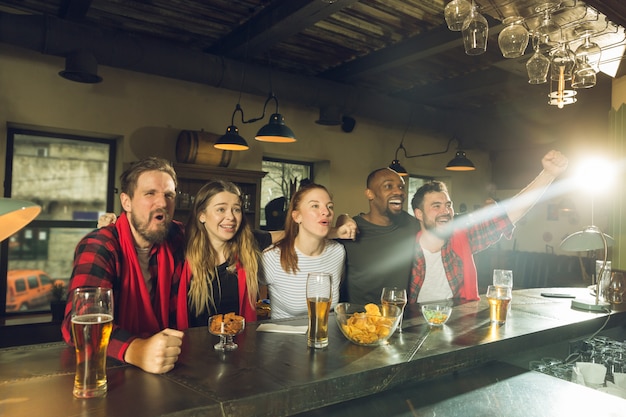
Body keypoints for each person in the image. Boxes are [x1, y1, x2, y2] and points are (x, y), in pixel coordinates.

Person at [62, 157, 188, 374]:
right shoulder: (100, 245)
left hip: (170, 360)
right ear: (126, 202)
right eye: (150, 194)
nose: (162, 203)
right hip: (109, 367)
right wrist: (136, 349)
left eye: (169, 195)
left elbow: (224, 233)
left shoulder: (176, 235)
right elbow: (79, 324)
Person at [409, 149, 568, 304]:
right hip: (413, 326)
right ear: (419, 214)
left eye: (448, 205)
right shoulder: (405, 248)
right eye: (436, 206)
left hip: (458, 325)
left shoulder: (462, 238)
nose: (445, 211)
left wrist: (549, 174)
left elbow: (509, 214)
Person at [184, 180, 273, 327]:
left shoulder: (250, 242)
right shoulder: (181, 250)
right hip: (193, 345)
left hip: (240, 344)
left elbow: (292, 236)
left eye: (236, 209)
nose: (231, 217)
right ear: (202, 215)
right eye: (221, 209)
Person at [260, 183, 345, 319]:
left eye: (330, 206)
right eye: (315, 206)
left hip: (325, 337)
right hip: (283, 339)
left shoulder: (337, 252)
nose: (326, 212)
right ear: (297, 216)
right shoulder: (272, 257)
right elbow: (249, 301)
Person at [337, 168, 420, 305]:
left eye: (401, 187)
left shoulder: (411, 225)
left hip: (399, 320)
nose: (398, 192)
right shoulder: (351, 230)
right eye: (388, 186)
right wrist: (343, 218)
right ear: (370, 194)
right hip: (359, 321)